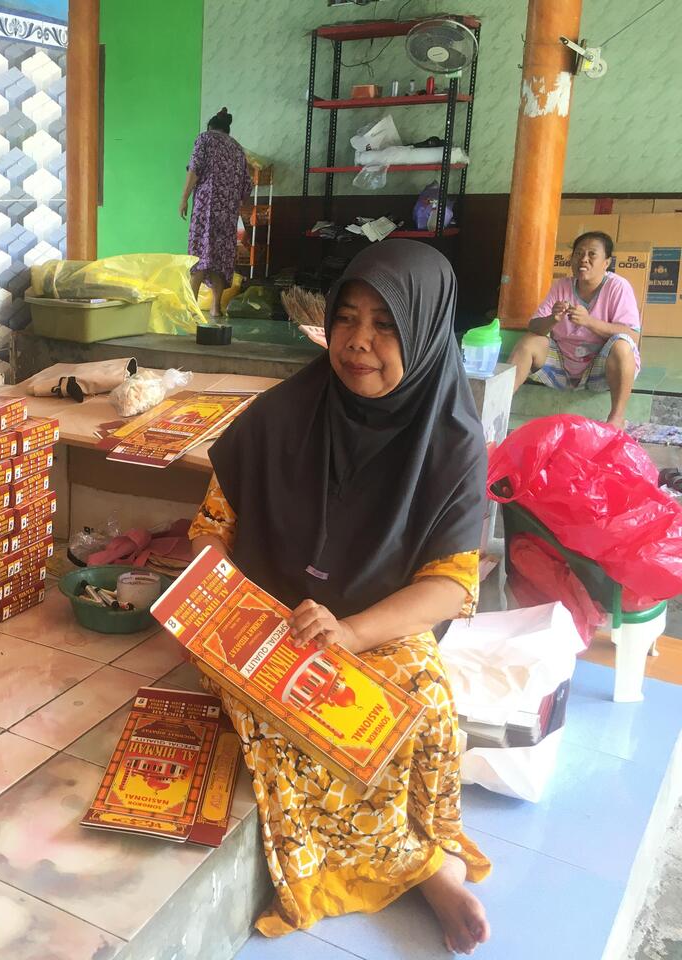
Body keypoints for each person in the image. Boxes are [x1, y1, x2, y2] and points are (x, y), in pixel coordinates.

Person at [190, 239, 492, 954]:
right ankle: (420, 871)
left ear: (423, 332)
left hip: (379, 620)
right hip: (270, 619)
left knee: (424, 712)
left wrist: (353, 632)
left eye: (385, 325)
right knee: (293, 716)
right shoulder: (282, 414)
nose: (357, 343)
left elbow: (451, 584)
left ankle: (430, 860)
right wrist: (221, 604)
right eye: (346, 318)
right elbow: (211, 528)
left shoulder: (451, 442)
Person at [507, 231, 641, 430]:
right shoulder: (561, 285)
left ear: (606, 262)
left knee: (623, 345)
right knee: (528, 342)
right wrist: (552, 319)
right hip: (564, 363)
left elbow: (632, 336)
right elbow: (533, 326)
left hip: (601, 367)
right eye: (578, 254)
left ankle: (616, 418)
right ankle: (499, 404)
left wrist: (589, 321)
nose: (583, 260)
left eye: (592, 254)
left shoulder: (618, 287)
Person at [180, 107, 252, 319]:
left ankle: (190, 308)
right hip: (228, 212)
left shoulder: (204, 139)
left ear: (211, 127)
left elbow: (194, 170)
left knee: (200, 255)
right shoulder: (237, 148)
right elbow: (247, 185)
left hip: (206, 207)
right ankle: (215, 308)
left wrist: (184, 198)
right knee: (220, 257)